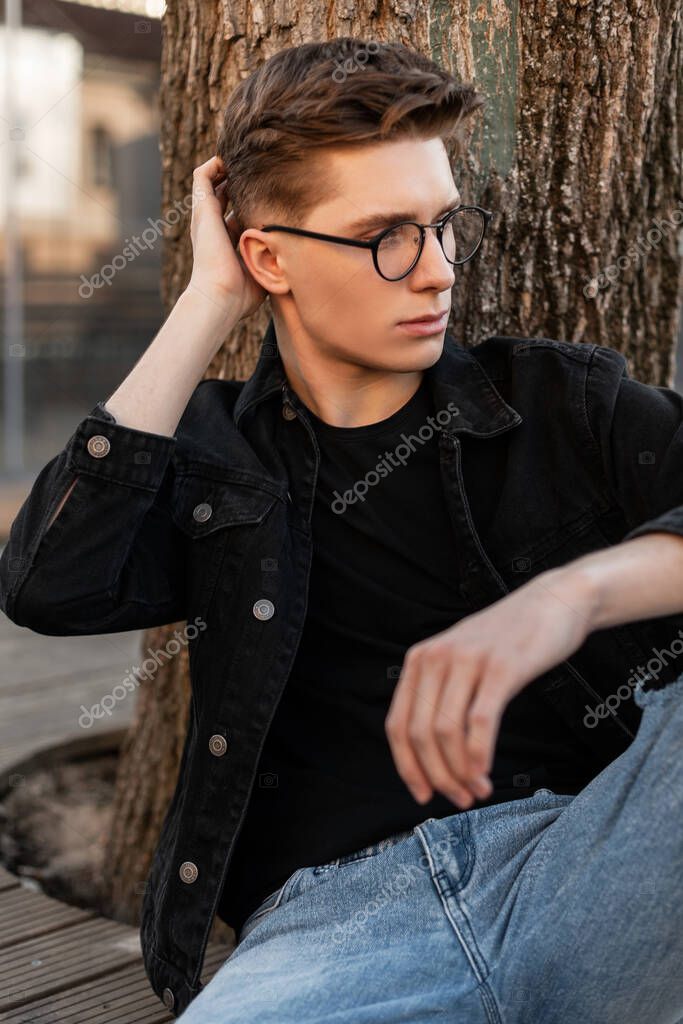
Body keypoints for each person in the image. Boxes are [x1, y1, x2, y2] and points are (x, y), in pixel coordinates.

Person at [2, 37, 683, 1023]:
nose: (436, 269)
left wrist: (570, 596)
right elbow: (46, 583)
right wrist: (206, 300)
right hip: (340, 927)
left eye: (444, 225)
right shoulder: (208, 455)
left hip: (588, 861)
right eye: (385, 237)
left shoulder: (558, 399)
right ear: (268, 257)